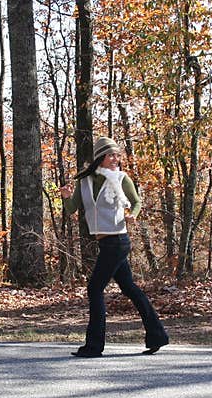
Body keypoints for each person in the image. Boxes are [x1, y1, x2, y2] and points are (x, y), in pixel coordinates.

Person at [60, 136, 169, 358]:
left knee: (94, 289)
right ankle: (157, 336)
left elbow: (136, 202)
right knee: (130, 288)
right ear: (100, 157)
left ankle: (94, 346)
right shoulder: (85, 181)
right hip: (105, 242)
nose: (116, 159)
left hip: (118, 241)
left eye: (118, 155)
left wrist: (133, 215)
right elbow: (72, 209)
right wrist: (66, 197)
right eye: (111, 155)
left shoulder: (121, 179)